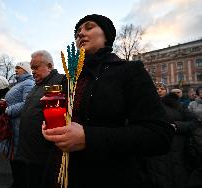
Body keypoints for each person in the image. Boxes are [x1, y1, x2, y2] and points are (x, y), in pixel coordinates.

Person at [42, 14, 174, 188]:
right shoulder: (69, 79)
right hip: (60, 175)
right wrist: (51, 126)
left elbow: (159, 135)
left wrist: (89, 138)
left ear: (106, 36)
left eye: (89, 27)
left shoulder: (129, 71)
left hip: (107, 177)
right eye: (77, 32)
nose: (80, 34)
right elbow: (66, 123)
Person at [12, 50, 65, 188]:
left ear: (49, 66)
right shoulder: (38, 85)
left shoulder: (57, 82)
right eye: (32, 68)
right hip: (26, 151)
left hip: (39, 156)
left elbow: (56, 124)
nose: (33, 71)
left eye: (36, 67)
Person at [146, 82, 198, 188]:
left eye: (162, 88)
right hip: (155, 149)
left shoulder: (177, 105)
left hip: (177, 149)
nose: (159, 90)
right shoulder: (146, 105)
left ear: (167, 90)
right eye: (157, 88)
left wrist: (176, 126)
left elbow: (193, 122)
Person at [3, 61, 34, 186]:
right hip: (13, 123)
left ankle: (19, 183)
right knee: (13, 156)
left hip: (19, 125)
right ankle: (17, 182)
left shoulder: (29, 83)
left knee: (19, 157)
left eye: (18, 68)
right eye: (15, 67)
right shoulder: (19, 83)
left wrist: (8, 110)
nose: (15, 69)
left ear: (26, 70)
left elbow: (27, 104)